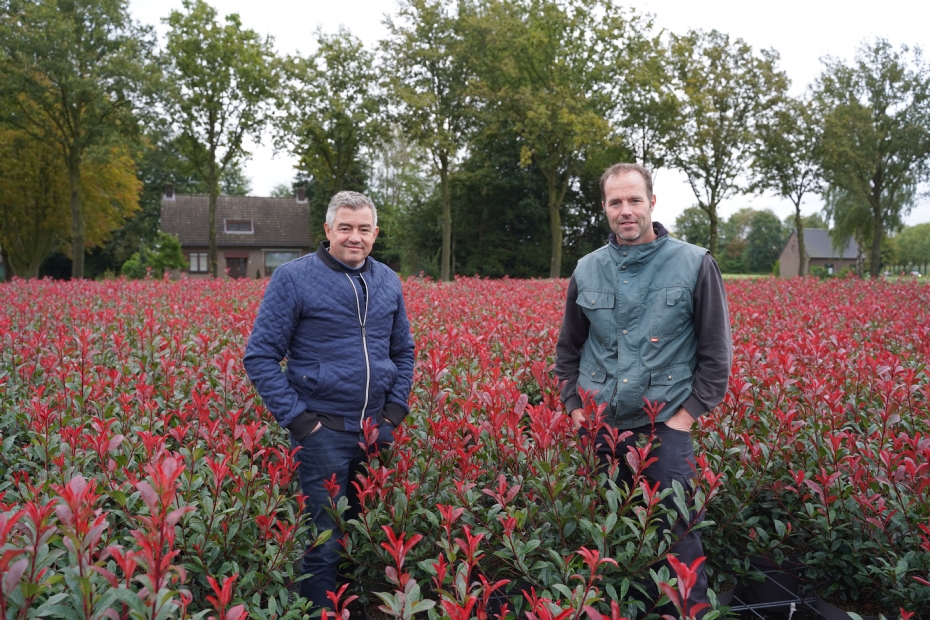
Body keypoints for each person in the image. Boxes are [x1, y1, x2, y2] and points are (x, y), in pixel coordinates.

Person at [554, 163, 732, 617]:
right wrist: (574, 407)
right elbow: (568, 350)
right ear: (605, 209)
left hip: (666, 429)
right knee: (604, 536)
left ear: (652, 202)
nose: (626, 210)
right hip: (600, 429)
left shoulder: (694, 263)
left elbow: (716, 358)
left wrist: (683, 418)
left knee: (678, 537)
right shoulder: (587, 269)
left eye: (634, 200)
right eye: (616, 202)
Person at [244, 190, 415, 609]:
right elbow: (260, 355)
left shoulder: (388, 280)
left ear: (375, 233)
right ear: (328, 230)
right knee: (323, 543)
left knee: (368, 536)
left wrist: (393, 414)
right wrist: (301, 423)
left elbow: (403, 351)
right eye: (345, 228)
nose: (354, 237)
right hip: (321, 434)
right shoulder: (294, 278)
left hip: (375, 433)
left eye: (363, 229)